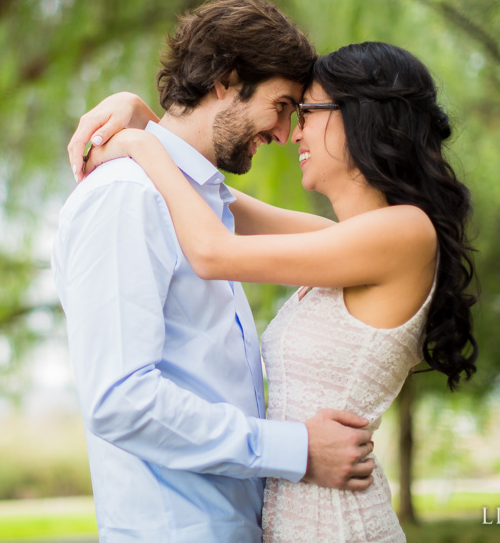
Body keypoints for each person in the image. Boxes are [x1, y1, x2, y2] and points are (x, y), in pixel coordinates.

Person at [75, 41, 478, 542]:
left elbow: (212, 250)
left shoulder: (404, 233)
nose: (293, 133)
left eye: (306, 112)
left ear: (363, 118)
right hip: (294, 517)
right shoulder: (343, 242)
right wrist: (148, 121)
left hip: (338, 524)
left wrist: (140, 145)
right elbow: (212, 200)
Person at [52, 0, 378, 542]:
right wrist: (296, 450)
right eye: (280, 106)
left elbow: (344, 244)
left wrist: (145, 124)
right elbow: (119, 400)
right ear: (226, 80)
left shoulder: (202, 205)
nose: (283, 134)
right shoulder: (127, 198)